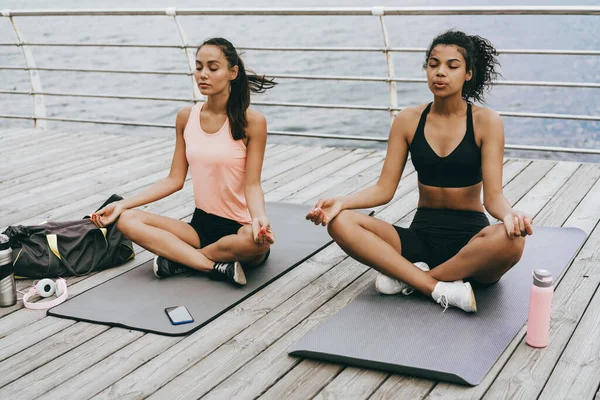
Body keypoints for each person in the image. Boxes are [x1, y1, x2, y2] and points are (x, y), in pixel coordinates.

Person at [306, 30, 533, 312]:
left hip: (470, 245)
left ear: (468, 73)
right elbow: (383, 189)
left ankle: (412, 279)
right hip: (421, 238)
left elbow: (494, 197)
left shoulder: (486, 122)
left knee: (513, 243)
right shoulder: (408, 120)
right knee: (340, 222)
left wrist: (509, 215)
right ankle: (437, 287)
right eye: (433, 64)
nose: (440, 73)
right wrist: (342, 202)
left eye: (452, 66)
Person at [91, 37, 276, 287]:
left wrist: (259, 218)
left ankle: (179, 260)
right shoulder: (186, 117)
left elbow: (252, 184)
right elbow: (174, 180)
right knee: (126, 220)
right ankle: (213, 266)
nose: (203, 74)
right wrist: (123, 205)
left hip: (240, 227)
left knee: (255, 242)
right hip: (200, 228)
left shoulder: (253, 122)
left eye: (213, 67)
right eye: (199, 67)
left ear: (233, 72)